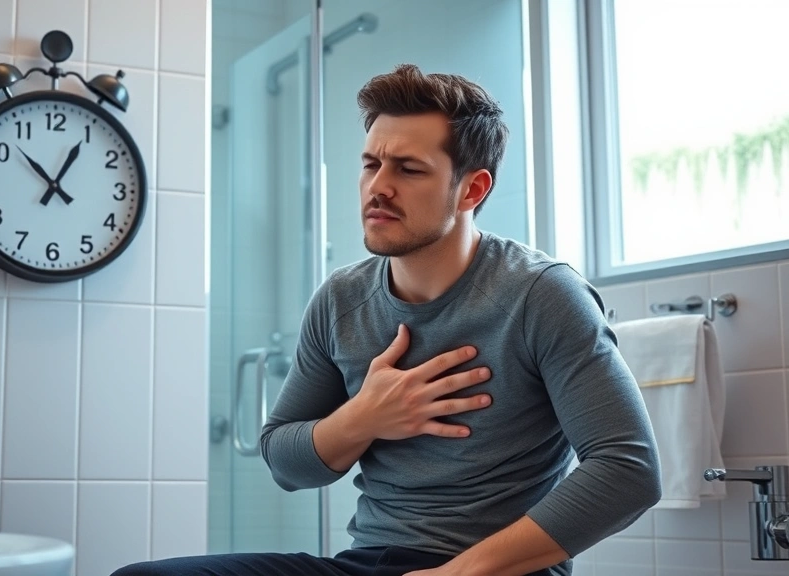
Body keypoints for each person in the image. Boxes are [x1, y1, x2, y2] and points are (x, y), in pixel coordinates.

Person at [112, 64, 661, 576]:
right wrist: (365, 417)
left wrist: (454, 574)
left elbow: (629, 469)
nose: (378, 186)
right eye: (371, 164)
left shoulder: (542, 295)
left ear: (471, 189)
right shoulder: (341, 299)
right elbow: (284, 461)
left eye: (408, 168)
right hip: (367, 560)